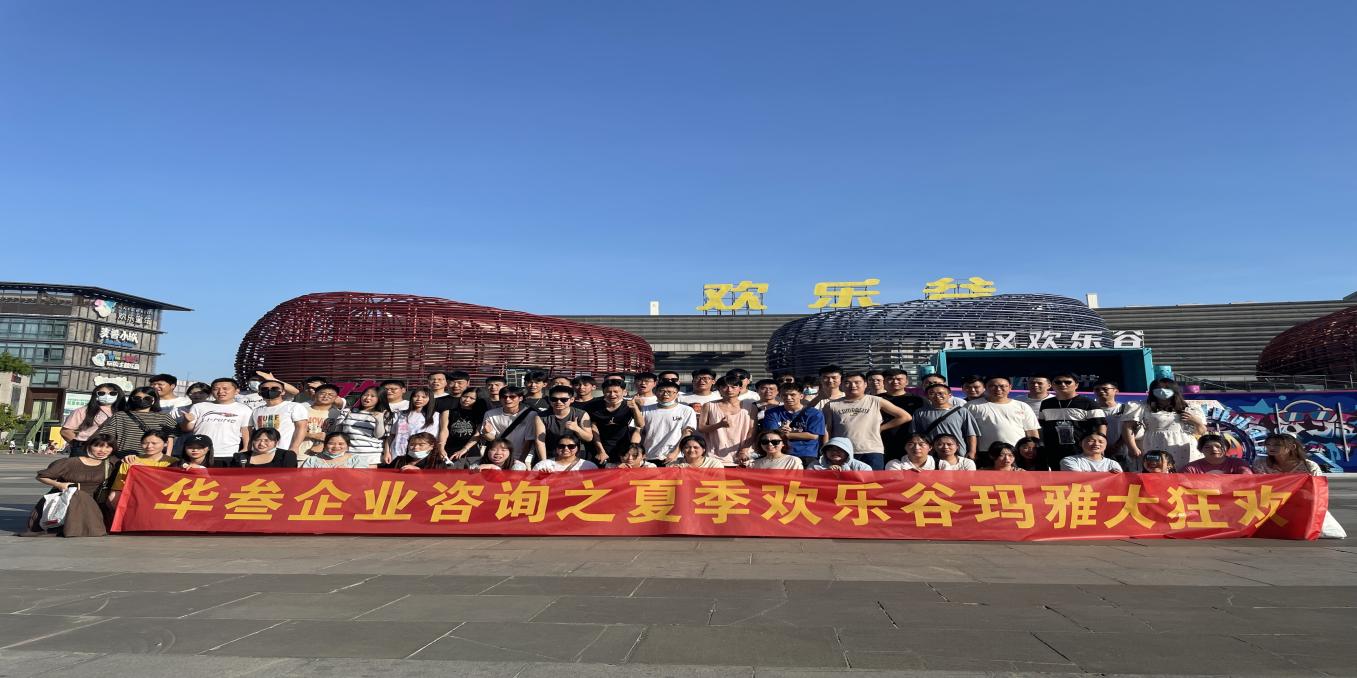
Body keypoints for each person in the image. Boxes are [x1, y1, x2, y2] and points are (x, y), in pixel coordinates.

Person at [21, 433, 117, 537]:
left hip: (95, 503)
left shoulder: (111, 463)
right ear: (89, 446)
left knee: (83, 498)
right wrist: (59, 484)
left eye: (108, 447)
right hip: (67, 501)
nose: (103, 450)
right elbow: (41, 476)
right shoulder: (70, 463)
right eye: (98, 446)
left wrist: (128, 458)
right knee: (79, 495)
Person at [825, 373, 911, 470]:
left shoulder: (876, 401)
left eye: (857, 382)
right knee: (845, 479)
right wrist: (826, 450)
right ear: (842, 385)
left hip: (872, 450)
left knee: (874, 479)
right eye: (847, 383)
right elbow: (827, 429)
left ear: (865, 384)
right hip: (842, 452)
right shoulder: (831, 405)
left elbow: (905, 417)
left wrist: (881, 428)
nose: (853, 385)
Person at [1126, 379, 1206, 471]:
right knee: (1157, 472)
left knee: (1185, 473)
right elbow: (1128, 427)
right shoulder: (1142, 406)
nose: (1162, 391)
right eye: (1158, 388)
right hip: (1155, 444)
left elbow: (1201, 431)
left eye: (1166, 388)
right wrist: (1132, 447)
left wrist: (1195, 420)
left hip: (1183, 444)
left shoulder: (1190, 407)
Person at [182, 378, 253, 465]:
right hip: (201, 454)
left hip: (228, 453)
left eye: (225, 388)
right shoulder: (199, 406)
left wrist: (246, 448)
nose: (220, 391)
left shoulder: (244, 409)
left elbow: (246, 430)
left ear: (236, 391)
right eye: (216, 389)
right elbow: (187, 428)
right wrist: (187, 421)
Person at [1037, 373, 1107, 461]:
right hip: (1053, 450)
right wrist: (1041, 445)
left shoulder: (1089, 403)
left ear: (1076, 385)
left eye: (1067, 382)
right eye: (1058, 382)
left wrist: (1100, 448)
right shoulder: (1046, 403)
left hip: (1082, 450)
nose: (1062, 384)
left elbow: (1101, 426)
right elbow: (1042, 426)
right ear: (1052, 385)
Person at [95, 386, 178, 457]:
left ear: (154, 400)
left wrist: (167, 456)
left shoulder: (164, 417)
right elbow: (107, 436)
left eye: (147, 398)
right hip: (123, 457)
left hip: (153, 459)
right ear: (132, 399)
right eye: (137, 398)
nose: (142, 400)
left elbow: (170, 438)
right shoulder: (120, 415)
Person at [966, 376, 1040, 454]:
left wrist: (1034, 451)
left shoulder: (1022, 406)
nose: (998, 389)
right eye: (993, 386)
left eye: (1002, 386)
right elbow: (966, 432)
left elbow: (1031, 431)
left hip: (1016, 452)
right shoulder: (972, 406)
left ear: (1010, 387)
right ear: (985, 387)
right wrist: (972, 451)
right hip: (985, 452)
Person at [761, 382, 826, 469]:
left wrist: (786, 434)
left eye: (792, 395)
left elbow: (813, 435)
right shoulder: (772, 413)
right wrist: (783, 432)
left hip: (806, 454)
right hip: (781, 454)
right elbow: (771, 434)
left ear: (801, 396)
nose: (788, 398)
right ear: (780, 396)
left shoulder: (814, 413)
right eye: (785, 395)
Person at [697, 376, 756, 466]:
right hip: (714, 455)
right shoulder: (709, 405)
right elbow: (701, 428)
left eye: (733, 387)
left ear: (740, 388)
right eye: (725, 387)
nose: (729, 390)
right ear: (719, 389)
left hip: (743, 456)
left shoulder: (750, 407)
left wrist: (744, 450)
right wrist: (719, 425)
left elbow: (752, 430)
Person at [910, 384, 980, 459]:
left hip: (958, 453)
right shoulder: (920, 412)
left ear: (949, 395)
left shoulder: (962, 411)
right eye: (932, 393)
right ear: (927, 396)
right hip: (931, 454)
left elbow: (971, 434)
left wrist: (972, 451)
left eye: (941, 393)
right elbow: (916, 434)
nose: (937, 396)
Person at [585, 380, 644, 466]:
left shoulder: (629, 405)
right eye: (608, 392)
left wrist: (635, 408)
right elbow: (594, 429)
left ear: (624, 392)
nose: (612, 395)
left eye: (616, 391)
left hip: (623, 446)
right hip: (599, 445)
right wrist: (601, 451)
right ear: (603, 392)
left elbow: (640, 425)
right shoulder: (593, 406)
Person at [529, 385, 593, 465]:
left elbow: (589, 438)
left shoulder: (581, 414)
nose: (558, 402)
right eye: (554, 399)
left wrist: (577, 429)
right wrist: (544, 462)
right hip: (550, 456)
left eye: (564, 399)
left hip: (574, 457)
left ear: (572, 399)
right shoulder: (541, 417)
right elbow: (540, 441)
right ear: (549, 400)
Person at [107, 431, 176, 504]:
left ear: (166, 443)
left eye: (154, 443)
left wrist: (142, 468)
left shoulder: (174, 463)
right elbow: (117, 490)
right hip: (136, 502)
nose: (149, 446)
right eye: (145, 443)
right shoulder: (130, 461)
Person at [640, 381, 697, 465]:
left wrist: (676, 452)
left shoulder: (686, 410)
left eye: (669, 392)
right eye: (661, 391)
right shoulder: (645, 409)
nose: (665, 394)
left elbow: (687, 433)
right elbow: (639, 432)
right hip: (649, 455)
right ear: (655, 392)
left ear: (676, 394)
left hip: (675, 457)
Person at [60, 383, 122, 456]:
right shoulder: (82, 411)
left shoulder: (123, 413)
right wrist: (79, 446)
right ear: (96, 395)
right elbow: (65, 431)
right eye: (102, 393)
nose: (107, 396)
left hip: (112, 451)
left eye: (112, 393)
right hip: (85, 449)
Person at [250, 379, 310, 454]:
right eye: (264, 389)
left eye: (274, 388)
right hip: (261, 452)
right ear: (259, 393)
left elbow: (301, 428)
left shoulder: (294, 406)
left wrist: (294, 447)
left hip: (285, 451)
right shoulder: (256, 411)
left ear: (283, 392)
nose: (269, 391)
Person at [1093, 379, 1140, 470]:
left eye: (1105, 389)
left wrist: (1117, 446)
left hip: (1123, 453)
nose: (1101, 391)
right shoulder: (1091, 410)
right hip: (1099, 453)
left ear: (1116, 391)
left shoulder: (1125, 408)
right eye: (1097, 389)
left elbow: (1132, 429)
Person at [481, 386, 536, 463]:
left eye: (512, 397)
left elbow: (529, 440)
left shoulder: (531, 415)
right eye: (504, 397)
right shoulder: (490, 414)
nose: (507, 399)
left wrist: (521, 460)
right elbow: (491, 439)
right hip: (500, 454)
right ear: (500, 398)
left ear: (520, 398)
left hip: (524, 455)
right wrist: (486, 432)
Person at [390, 387, 443, 463]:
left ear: (430, 399)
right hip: (398, 452)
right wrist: (387, 451)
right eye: (416, 396)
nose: (419, 399)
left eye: (424, 397)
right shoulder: (401, 414)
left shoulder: (436, 416)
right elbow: (392, 435)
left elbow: (435, 437)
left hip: (421, 454)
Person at [335, 386, 386, 466]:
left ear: (379, 398)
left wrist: (379, 420)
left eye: (372, 396)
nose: (367, 398)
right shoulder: (348, 411)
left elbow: (379, 435)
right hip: (347, 454)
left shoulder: (383, 414)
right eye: (365, 395)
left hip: (370, 456)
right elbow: (338, 432)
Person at [442, 387, 487, 464]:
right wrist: (441, 448)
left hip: (470, 450)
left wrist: (464, 449)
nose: (467, 400)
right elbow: (443, 430)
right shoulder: (448, 412)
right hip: (449, 448)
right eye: (465, 396)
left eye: (472, 398)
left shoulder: (481, 415)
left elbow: (477, 434)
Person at [1252, 433, 1322, 475]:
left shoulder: (1309, 466)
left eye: (1277, 445)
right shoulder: (1260, 464)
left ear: (1292, 447)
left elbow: (1318, 488)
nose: (1271, 447)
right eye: (1268, 444)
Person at [1182, 434, 1252, 475]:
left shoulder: (1239, 464)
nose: (1214, 449)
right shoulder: (1191, 469)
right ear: (1200, 450)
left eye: (1218, 446)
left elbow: (1249, 480)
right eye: (1207, 447)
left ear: (1227, 448)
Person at [231, 428, 299, 468]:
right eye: (257, 440)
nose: (261, 443)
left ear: (276, 442)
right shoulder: (240, 456)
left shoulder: (287, 456)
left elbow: (290, 477)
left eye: (266, 440)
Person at [532, 433, 599, 472]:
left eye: (571, 446)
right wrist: (541, 478)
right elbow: (531, 484)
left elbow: (595, 485)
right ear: (556, 447)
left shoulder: (589, 466)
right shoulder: (543, 465)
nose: (566, 449)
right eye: (561, 446)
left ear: (578, 448)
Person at [300, 432, 369, 468]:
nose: (336, 447)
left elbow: (363, 479)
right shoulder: (312, 460)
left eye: (341, 444)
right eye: (331, 443)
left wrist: (348, 472)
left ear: (347, 446)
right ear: (325, 445)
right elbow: (304, 478)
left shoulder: (357, 460)